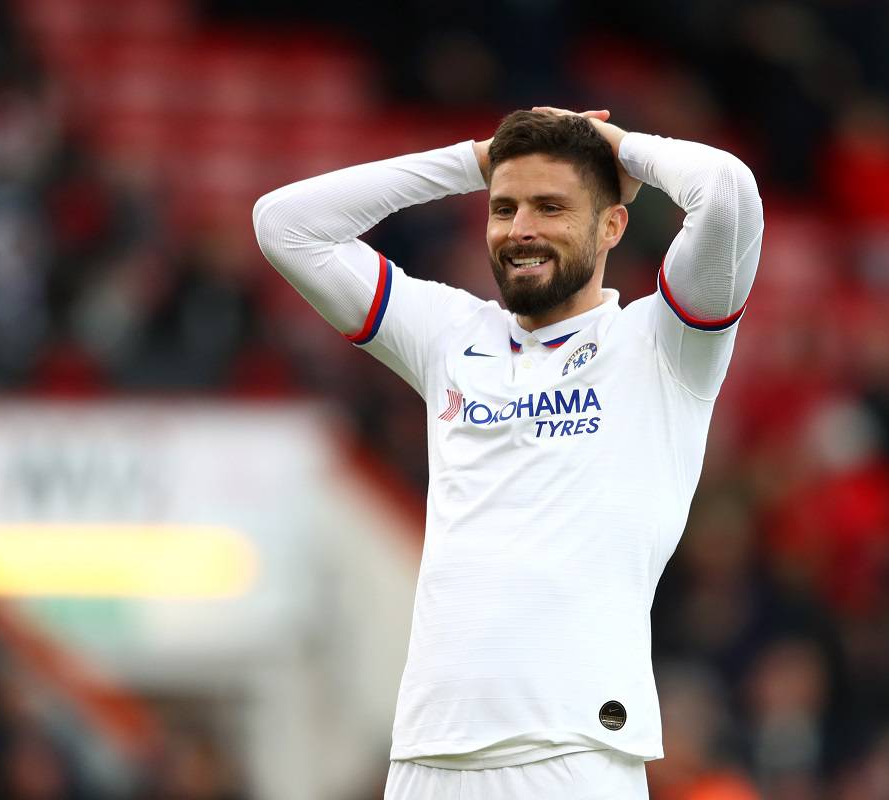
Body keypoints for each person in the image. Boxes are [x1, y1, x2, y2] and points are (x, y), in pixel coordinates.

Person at [253, 106, 762, 799]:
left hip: (575, 753)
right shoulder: (449, 335)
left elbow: (727, 195)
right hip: (430, 756)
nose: (521, 228)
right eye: (504, 208)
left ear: (612, 225)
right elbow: (284, 226)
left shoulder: (663, 345)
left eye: (551, 207)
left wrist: (619, 149)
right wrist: (471, 161)